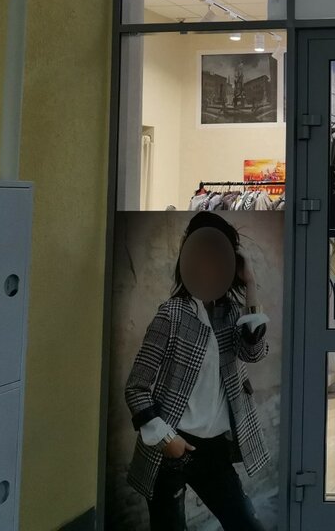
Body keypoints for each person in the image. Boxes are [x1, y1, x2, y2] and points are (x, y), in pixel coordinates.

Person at [125, 212, 270, 531]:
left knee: (246, 524)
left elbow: (254, 352)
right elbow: (136, 388)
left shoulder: (230, 315)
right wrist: (167, 439)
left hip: (214, 449)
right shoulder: (173, 315)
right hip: (172, 447)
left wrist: (250, 283)